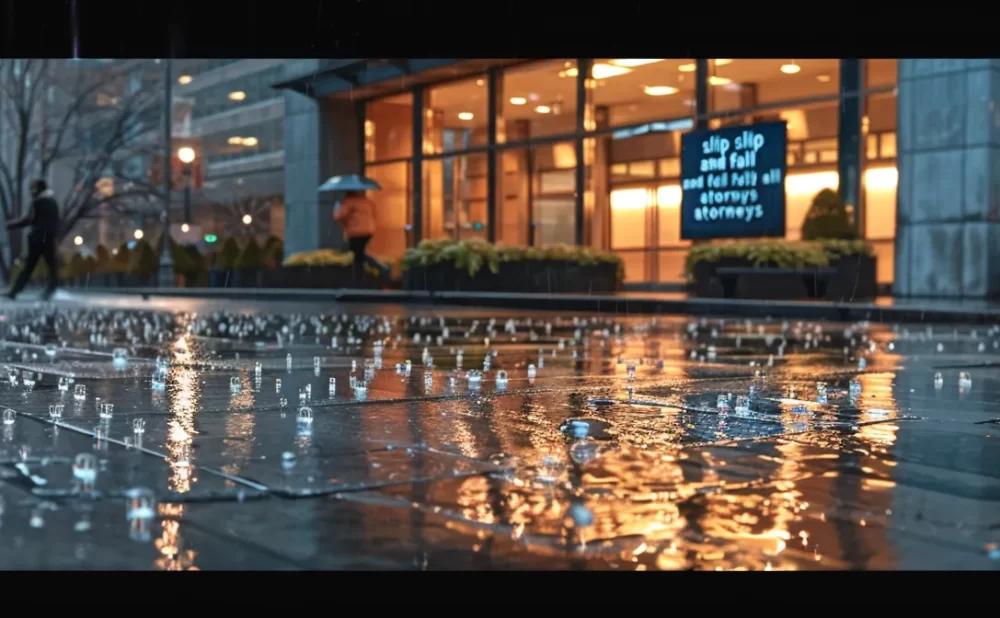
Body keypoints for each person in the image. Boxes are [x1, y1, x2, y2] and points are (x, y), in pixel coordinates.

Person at [6, 179, 60, 300]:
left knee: (29, 266)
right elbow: (57, 221)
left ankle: (14, 291)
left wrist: (11, 225)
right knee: (51, 265)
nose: (31, 192)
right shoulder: (52, 202)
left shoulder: (37, 202)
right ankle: (51, 289)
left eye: (33, 189)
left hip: (38, 238)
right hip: (49, 237)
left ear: (39, 189)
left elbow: (29, 219)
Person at [333, 189, 384, 285]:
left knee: (357, 253)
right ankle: (359, 277)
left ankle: (379, 266)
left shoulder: (348, 201)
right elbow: (375, 213)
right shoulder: (366, 201)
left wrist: (337, 208)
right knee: (358, 255)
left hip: (356, 232)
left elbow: (339, 217)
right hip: (368, 231)